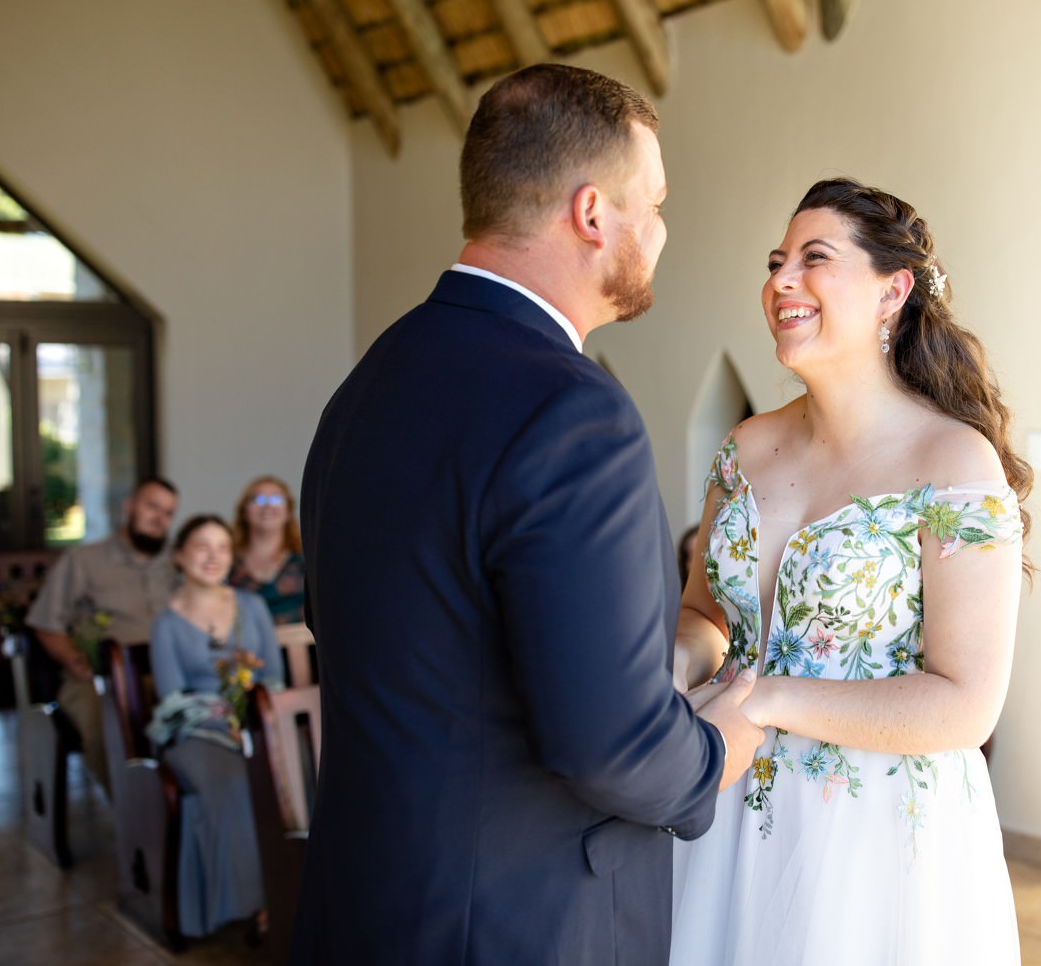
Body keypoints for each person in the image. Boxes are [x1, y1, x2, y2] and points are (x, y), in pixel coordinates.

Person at [291, 63, 762, 965]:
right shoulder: (572, 412)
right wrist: (716, 752)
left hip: (364, 901)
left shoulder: (367, 386)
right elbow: (611, 745)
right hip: (517, 922)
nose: (662, 231)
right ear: (593, 215)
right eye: (654, 204)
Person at [670, 177, 1033, 964]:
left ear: (891, 291)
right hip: (725, 803)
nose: (781, 281)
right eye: (776, 261)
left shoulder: (952, 461)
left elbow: (966, 704)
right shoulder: (743, 448)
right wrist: (669, 672)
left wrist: (764, 699)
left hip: (870, 838)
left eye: (814, 258)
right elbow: (704, 615)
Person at [147, 514, 284, 939]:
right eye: (202, 547)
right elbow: (172, 698)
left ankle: (296, 886)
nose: (214, 557)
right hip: (195, 733)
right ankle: (252, 903)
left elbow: (275, 678)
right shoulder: (167, 623)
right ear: (180, 556)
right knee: (230, 781)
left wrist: (250, 717)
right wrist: (221, 717)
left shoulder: (253, 607)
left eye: (223, 547)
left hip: (256, 722)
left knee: (292, 770)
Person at [25, 475, 180, 796]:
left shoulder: (176, 563)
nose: (159, 519)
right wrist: (72, 659)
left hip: (164, 672)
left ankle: (180, 807)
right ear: (129, 507)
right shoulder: (83, 561)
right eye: (152, 506)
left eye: (168, 513)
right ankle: (135, 812)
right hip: (99, 677)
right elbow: (45, 623)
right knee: (107, 727)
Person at [227, 475, 306, 625]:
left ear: (288, 511)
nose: (268, 506)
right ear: (244, 510)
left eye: (277, 499)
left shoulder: (306, 561)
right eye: (258, 500)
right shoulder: (226, 564)